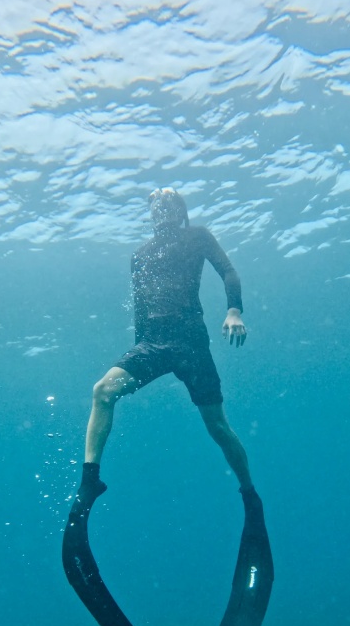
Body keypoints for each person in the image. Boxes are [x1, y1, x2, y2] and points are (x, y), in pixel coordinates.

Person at [74, 186, 255, 506]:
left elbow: (227, 270)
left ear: (180, 210)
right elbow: (140, 306)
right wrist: (138, 356)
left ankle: (248, 492)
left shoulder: (197, 235)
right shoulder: (140, 254)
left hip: (191, 342)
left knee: (217, 426)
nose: (160, 204)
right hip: (151, 344)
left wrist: (234, 310)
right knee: (103, 391)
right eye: (155, 201)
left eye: (168, 199)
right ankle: (90, 481)